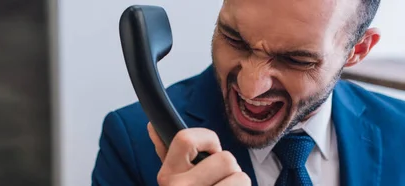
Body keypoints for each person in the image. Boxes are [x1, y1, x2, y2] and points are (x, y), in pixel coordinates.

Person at [92, 0, 405, 185]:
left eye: (296, 59)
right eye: (234, 39)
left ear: (358, 50)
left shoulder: (400, 131)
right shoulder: (131, 141)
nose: (249, 86)